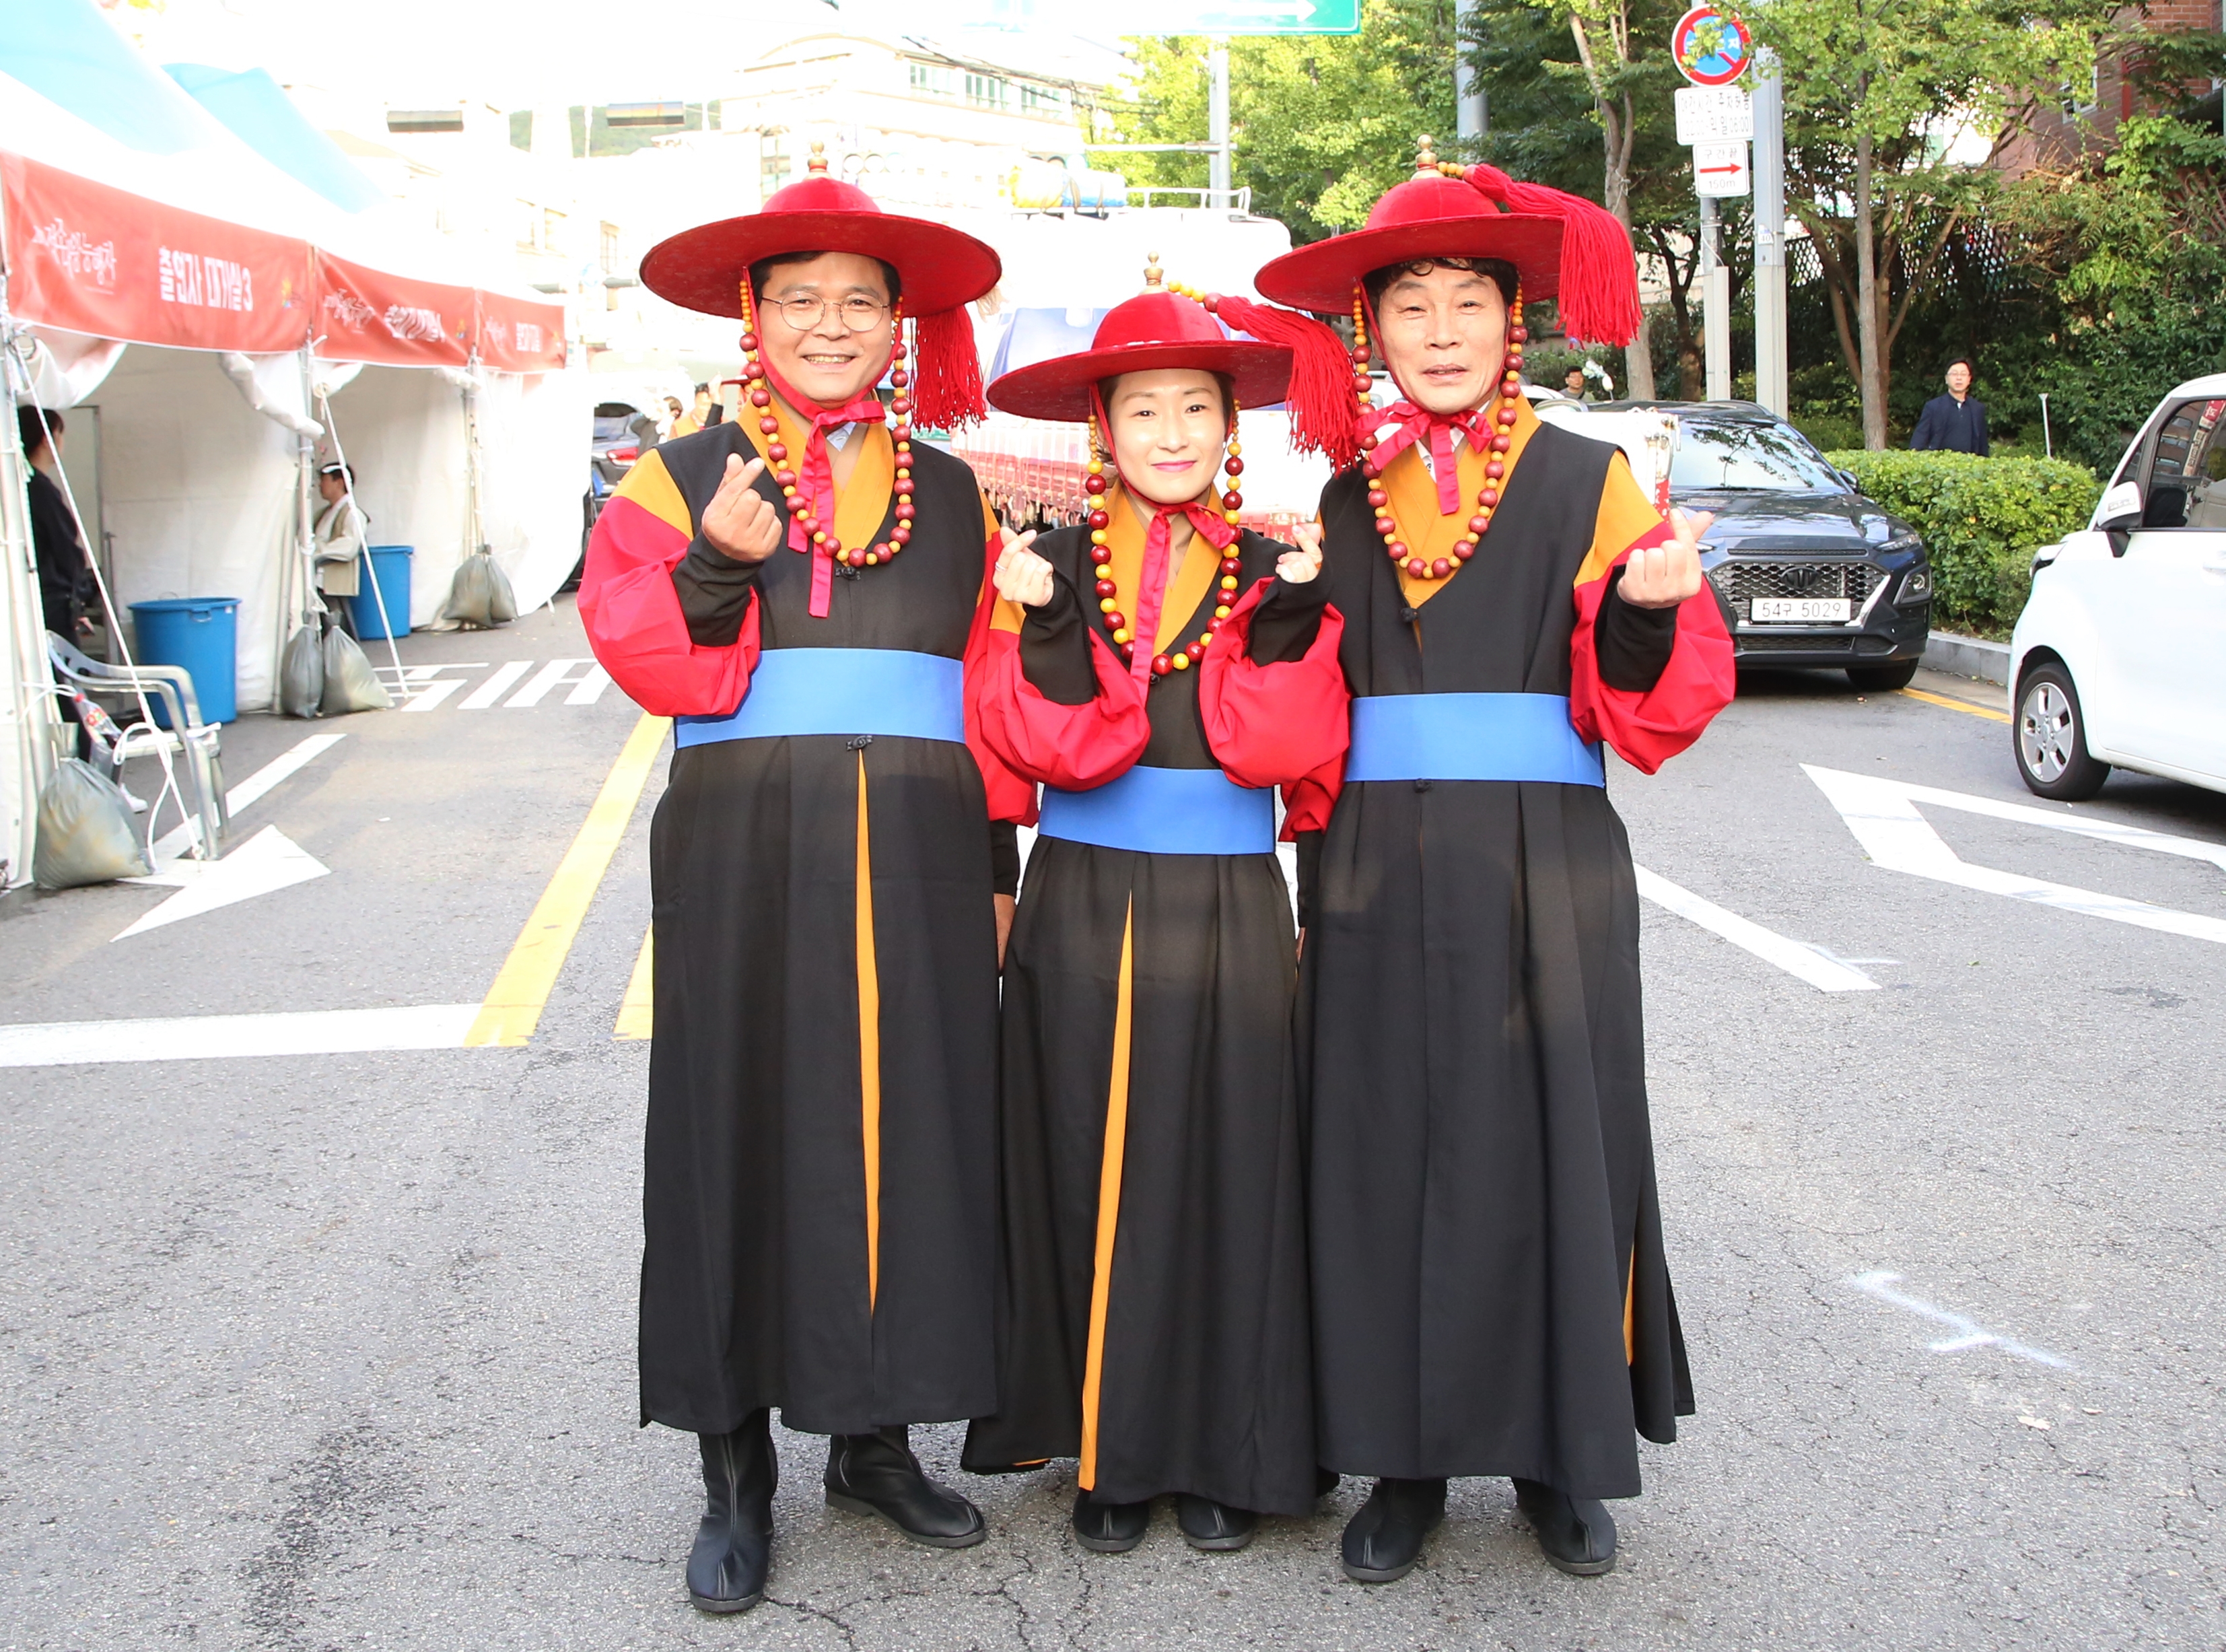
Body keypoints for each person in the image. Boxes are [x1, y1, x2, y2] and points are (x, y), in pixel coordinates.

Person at [1252, 140, 1735, 1586]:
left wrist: (1646, 612)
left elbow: (1644, 704)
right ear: (1372, 332)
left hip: (1546, 866)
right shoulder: (1333, 506)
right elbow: (1289, 724)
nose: (1443, 332)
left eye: (1468, 301)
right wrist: (1274, 633)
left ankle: (1558, 1455)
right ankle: (1400, 1464)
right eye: (1412, 307)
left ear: (1508, 320)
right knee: (1378, 1152)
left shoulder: (1594, 482)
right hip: (1364, 876)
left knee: (1552, 1150)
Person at [577, 142, 1029, 1617]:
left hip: (918, 849)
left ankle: (875, 1439)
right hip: (743, 849)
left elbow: (988, 702)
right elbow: (640, 654)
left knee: (910, 1133)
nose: (831, 326)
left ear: (900, 323)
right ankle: (733, 1473)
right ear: (751, 316)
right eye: (800, 301)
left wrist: (995, 869)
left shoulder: (955, 495)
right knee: (739, 1132)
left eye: (858, 302)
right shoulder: (680, 471)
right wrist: (715, 563)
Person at [958, 264, 1350, 1552]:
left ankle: (1227, 1446)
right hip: (1079, 893)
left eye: (1196, 407)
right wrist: (1038, 620)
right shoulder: (1042, 566)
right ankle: (1106, 1451)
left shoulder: (1274, 563)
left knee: (1232, 1167)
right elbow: (1017, 746)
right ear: (1100, 428)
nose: (1172, 434)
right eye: (1144, 410)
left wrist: (1291, 617)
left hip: (1233, 900)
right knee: (1082, 1161)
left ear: (1230, 428)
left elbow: (1286, 753)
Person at [20, 405, 93, 643]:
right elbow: (64, 549)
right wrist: (79, 598)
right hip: (50, 602)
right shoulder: (39, 490)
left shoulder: (20, 487)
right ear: (47, 439)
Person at [312, 462, 368, 638]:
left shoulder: (353, 513)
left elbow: (349, 546)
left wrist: (319, 553)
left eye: (325, 480)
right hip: (318, 580)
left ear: (339, 483)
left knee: (337, 629)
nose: (321, 485)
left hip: (333, 582)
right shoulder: (324, 513)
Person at [1909, 359, 1989, 455]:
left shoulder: (1977, 408)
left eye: (1963, 374)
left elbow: (1982, 445)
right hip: (1940, 465)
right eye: (1954, 374)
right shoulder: (1933, 407)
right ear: (1946, 379)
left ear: (1969, 379)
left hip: (1969, 466)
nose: (1959, 378)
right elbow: (1919, 440)